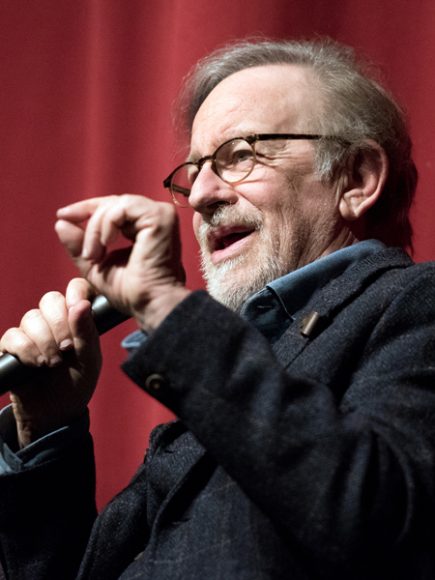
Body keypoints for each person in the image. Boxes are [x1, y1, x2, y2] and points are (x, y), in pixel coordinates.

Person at [0, 37, 434, 580]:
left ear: (357, 179)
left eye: (240, 156)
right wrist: (48, 428)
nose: (202, 194)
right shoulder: (238, 364)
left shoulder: (416, 305)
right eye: (195, 169)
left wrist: (162, 306)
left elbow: (380, 517)